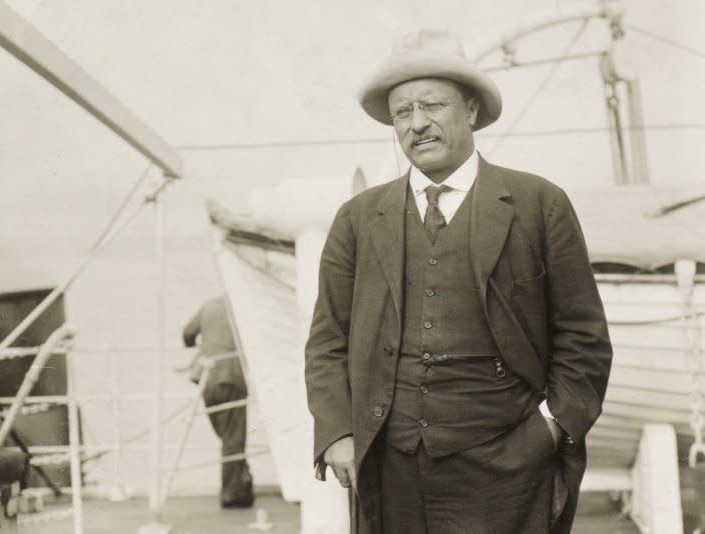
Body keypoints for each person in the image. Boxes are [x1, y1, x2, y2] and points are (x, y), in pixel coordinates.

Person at [304, 30, 612, 534]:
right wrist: (337, 433)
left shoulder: (539, 204)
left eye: (432, 105)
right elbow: (327, 340)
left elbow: (585, 339)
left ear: (470, 112)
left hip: (508, 470)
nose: (417, 124)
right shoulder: (359, 218)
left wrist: (551, 430)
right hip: (389, 469)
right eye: (403, 112)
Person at [182, 296, 254, 508]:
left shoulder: (210, 305)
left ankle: (242, 480)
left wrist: (201, 344)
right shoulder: (245, 305)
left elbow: (187, 333)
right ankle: (232, 492)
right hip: (231, 378)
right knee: (233, 438)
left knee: (227, 436)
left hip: (208, 379)